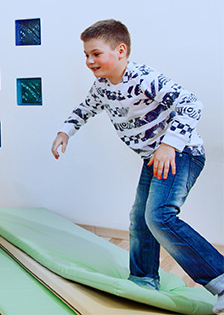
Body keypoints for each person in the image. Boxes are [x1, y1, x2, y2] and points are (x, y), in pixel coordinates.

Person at [51, 19, 223, 313]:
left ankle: (220, 279)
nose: (90, 61)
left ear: (121, 51)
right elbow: (85, 108)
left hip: (182, 153)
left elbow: (191, 103)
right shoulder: (102, 86)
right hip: (153, 159)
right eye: (86, 56)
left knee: (160, 216)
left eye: (96, 53)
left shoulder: (145, 78)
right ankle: (143, 280)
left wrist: (170, 144)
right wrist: (65, 131)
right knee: (140, 218)